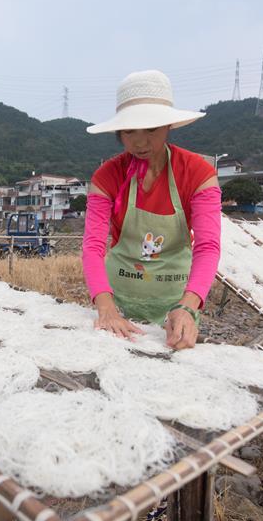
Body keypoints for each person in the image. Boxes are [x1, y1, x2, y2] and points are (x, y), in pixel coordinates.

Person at [82, 70, 222, 351]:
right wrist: (106, 306)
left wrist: (188, 306)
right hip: (116, 301)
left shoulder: (197, 173)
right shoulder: (106, 177)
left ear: (168, 126)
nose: (140, 142)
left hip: (175, 302)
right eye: (129, 130)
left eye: (151, 129)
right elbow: (93, 246)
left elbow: (207, 246)